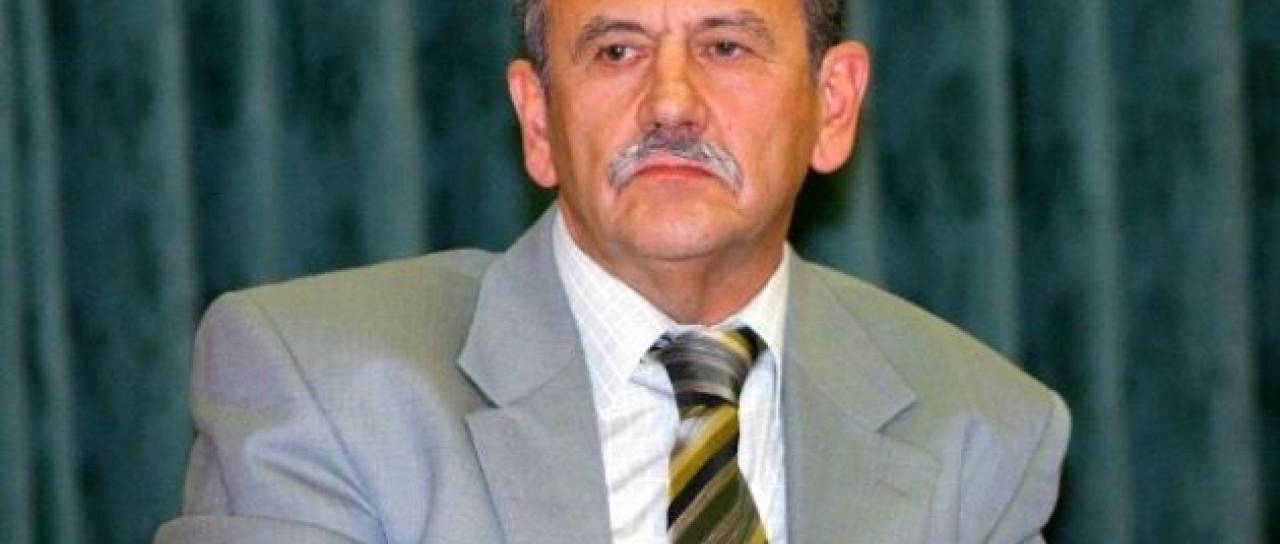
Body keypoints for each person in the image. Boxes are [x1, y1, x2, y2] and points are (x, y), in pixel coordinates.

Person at [156, 0, 1070, 542]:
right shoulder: (322, 386)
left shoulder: (981, 432)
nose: (671, 102)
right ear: (539, 120)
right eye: (616, 50)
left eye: (726, 45)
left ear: (832, 107)